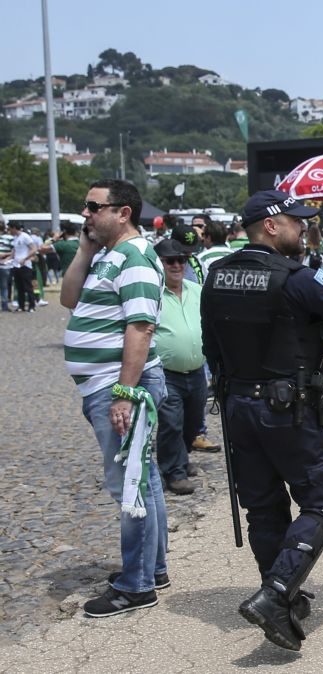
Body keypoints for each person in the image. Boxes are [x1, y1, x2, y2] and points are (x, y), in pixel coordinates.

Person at [200, 189, 323, 651]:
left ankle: (281, 595)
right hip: (287, 408)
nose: (304, 229)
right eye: (297, 222)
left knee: (262, 506)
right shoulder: (293, 277)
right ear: (271, 226)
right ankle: (277, 592)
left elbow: (211, 347)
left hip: (239, 406)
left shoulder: (216, 275)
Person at [61, 179, 170, 617]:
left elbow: (140, 327)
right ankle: (152, 568)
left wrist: (124, 392)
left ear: (123, 212)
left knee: (130, 485)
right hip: (105, 384)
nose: (86, 214)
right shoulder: (108, 255)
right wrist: (85, 250)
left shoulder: (136, 256)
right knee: (146, 480)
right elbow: (69, 298)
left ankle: (137, 585)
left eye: (93, 207)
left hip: (119, 385)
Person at [153, 238, 207, 495]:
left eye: (181, 260)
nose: (176, 265)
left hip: (196, 371)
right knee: (171, 423)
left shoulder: (197, 290)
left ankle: (181, 460)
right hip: (166, 373)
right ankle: (173, 473)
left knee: (193, 422)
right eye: (169, 261)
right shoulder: (152, 293)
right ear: (159, 263)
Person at [8, 222, 38, 312]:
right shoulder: (15, 238)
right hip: (16, 265)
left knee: (28, 286)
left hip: (25, 265)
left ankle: (32, 306)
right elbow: (14, 251)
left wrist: (25, 258)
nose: (9, 231)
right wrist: (7, 259)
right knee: (19, 286)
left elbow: (33, 249)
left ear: (14, 228)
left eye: (10, 229)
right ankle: (21, 305)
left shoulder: (25, 236)